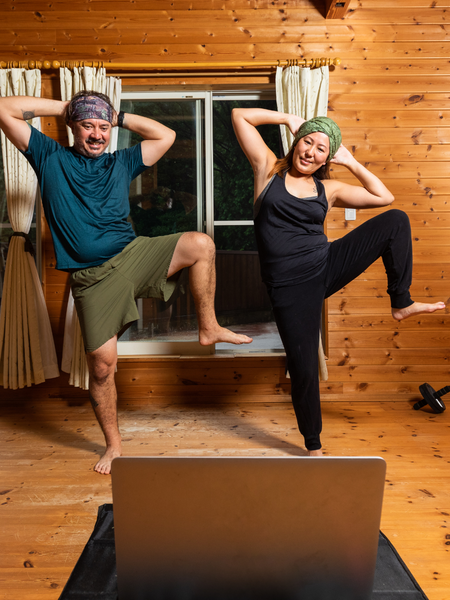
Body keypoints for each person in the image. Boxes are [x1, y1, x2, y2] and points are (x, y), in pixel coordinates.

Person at [0, 90, 252, 474]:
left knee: (200, 244)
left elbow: (164, 136)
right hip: (92, 278)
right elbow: (3, 108)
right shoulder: (48, 156)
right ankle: (114, 445)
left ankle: (208, 326)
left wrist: (116, 118)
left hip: (133, 256)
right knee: (101, 366)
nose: (98, 134)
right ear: (73, 128)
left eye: (103, 127)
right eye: (88, 126)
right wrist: (65, 107)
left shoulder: (121, 162)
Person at [232, 108, 445, 456]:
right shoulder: (267, 169)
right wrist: (287, 118)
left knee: (395, 220)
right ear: (297, 142)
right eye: (308, 141)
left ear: (326, 159)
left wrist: (352, 163)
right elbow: (239, 116)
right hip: (288, 287)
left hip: (325, 264)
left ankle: (401, 302)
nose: (311, 151)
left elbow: (383, 198)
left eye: (321, 149)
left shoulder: (327, 189)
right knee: (303, 369)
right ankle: (313, 447)